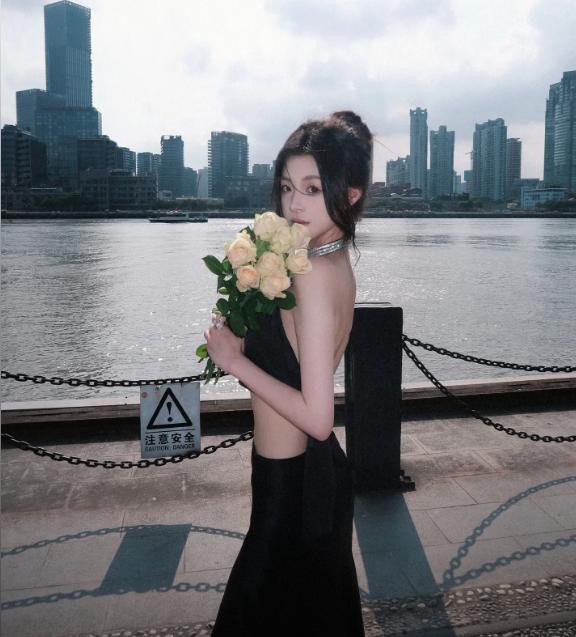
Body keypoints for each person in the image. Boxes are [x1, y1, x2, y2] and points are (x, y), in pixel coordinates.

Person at [204, 110, 372, 636]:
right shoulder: (324, 258)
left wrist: (234, 360)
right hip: (299, 478)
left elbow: (318, 418)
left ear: (350, 195)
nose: (294, 204)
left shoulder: (314, 274)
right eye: (286, 186)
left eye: (312, 188)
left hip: (295, 489)